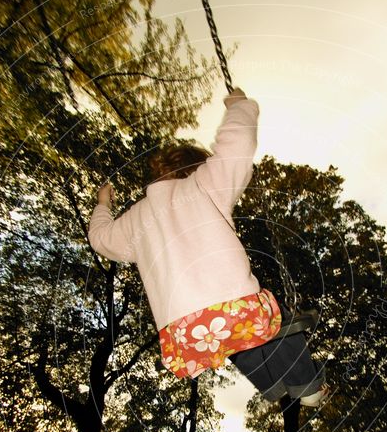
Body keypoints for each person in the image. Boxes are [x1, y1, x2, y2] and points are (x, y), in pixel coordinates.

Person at [88, 88, 327, 406]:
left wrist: (103, 203)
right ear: (196, 167)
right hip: (233, 313)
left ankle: (271, 385)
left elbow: (101, 239)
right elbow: (236, 147)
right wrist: (239, 105)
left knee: (228, 337)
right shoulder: (203, 184)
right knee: (265, 315)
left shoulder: (135, 221)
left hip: (182, 339)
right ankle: (307, 385)